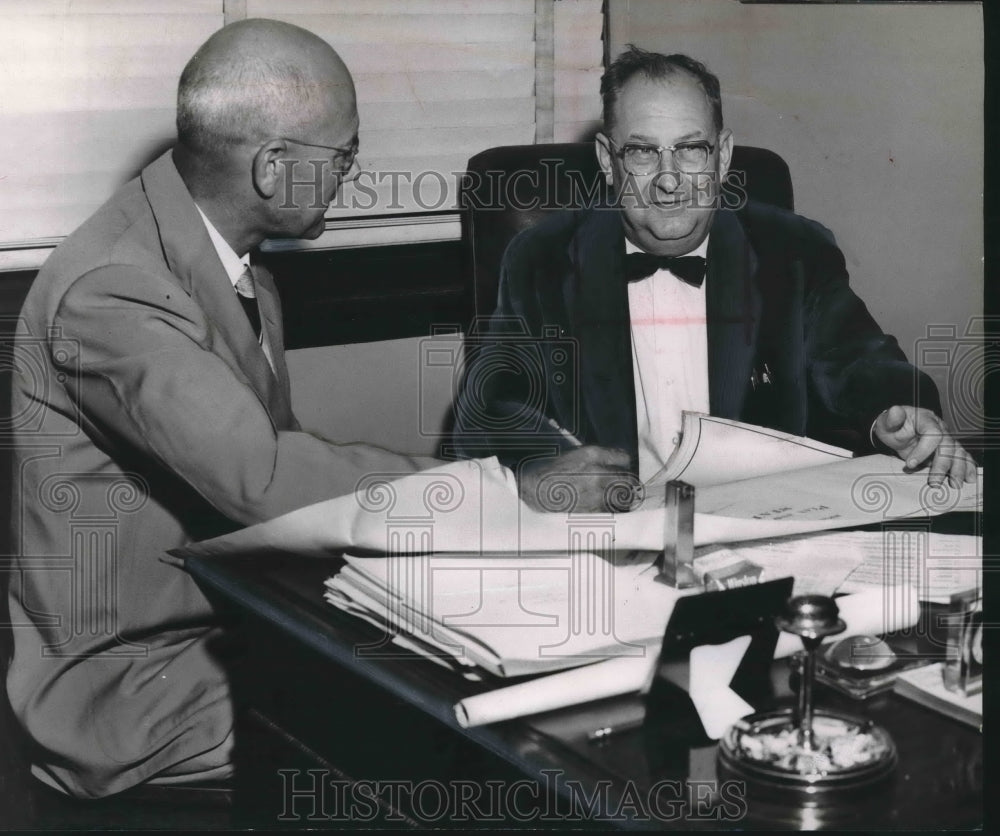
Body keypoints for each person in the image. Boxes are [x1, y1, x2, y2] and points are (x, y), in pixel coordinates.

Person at [6, 19, 438, 798]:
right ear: (273, 167)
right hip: (130, 690)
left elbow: (288, 469)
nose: (354, 175)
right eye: (343, 156)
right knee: (434, 740)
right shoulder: (112, 286)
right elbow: (263, 476)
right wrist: (494, 491)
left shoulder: (232, 264)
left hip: (234, 629)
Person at [453, 46, 976, 512]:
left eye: (691, 148)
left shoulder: (792, 251)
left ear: (722, 156)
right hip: (615, 534)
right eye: (641, 151)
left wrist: (897, 412)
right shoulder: (543, 258)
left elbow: (859, 357)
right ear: (607, 161)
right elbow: (490, 404)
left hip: (767, 524)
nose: (669, 179)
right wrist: (539, 467)